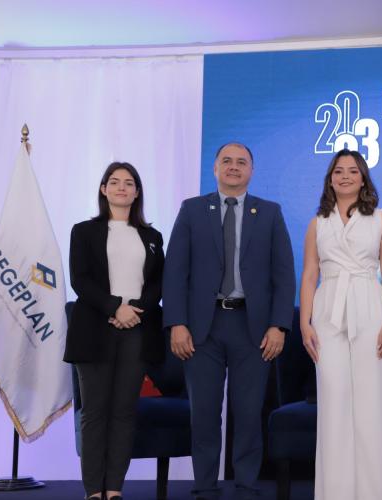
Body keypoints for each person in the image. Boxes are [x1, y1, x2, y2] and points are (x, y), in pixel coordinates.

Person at [163, 142, 296, 500]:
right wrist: (176, 322)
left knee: (249, 412)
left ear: (251, 170)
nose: (234, 167)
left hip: (253, 328)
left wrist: (279, 325)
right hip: (201, 329)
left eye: (242, 162)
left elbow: (284, 275)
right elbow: (175, 271)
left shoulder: (269, 212)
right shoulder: (192, 210)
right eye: (227, 161)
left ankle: (246, 485)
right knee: (204, 412)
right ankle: (205, 485)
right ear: (215, 169)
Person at [300, 149, 382, 500]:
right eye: (338, 171)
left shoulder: (381, 219)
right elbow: (310, 274)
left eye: (352, 171)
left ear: (363, 178)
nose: (345, 176)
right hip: (327, 313)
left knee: (371, 406)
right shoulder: (317, 223)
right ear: (329, 179)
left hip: (370, 308)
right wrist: (304, 323)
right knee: (333, 402)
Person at [65, 162, 165, 500]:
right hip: (94, 329)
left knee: (124, 412)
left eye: (129, 183)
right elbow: (80, 280)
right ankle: (93, 490)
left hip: (137, 329)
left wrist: (134, 311)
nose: (122, 188)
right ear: (104, 189)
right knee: (94, 412)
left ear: (137, 192)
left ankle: (113, 489)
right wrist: (114, 308)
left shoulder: (152, 237)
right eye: (114, 182)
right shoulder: (83, 231)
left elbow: (156, 284)